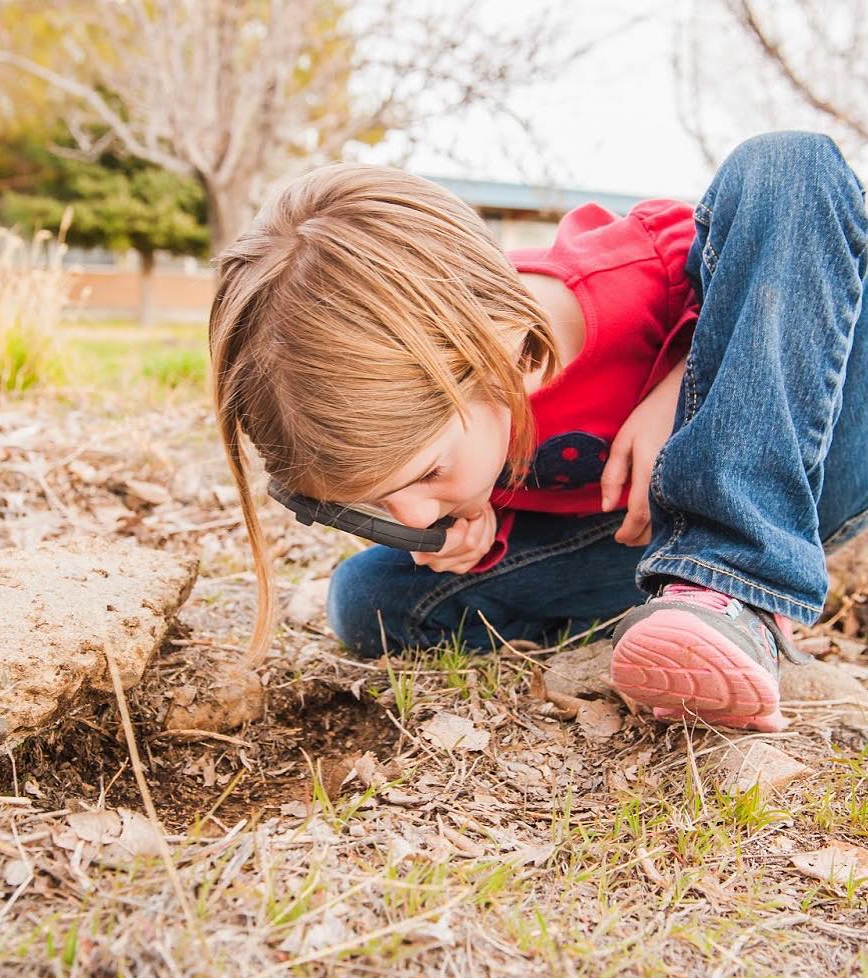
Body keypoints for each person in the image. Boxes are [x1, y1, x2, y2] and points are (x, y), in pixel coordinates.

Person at [209, 131, 868, 733]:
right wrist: (478, 529)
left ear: (496, 349)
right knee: (367, 599)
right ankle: (680, 612)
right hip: (642, 530)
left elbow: (770, 269)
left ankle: (731, 583)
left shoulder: (623, 280)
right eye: (378, 502)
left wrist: (684, 381)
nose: (409, 514)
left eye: (428, 472)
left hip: (828, 437)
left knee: (787, 167)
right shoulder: (441, 422)